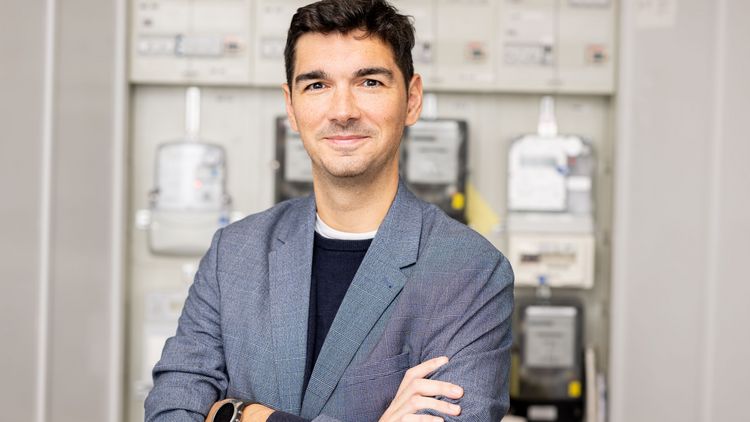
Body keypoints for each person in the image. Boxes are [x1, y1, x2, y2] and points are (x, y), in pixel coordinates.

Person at [144, 0, 514, 421]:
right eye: (316, 85)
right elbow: (171, 409)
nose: (342, 111)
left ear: (412, 100)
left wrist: (245, 414)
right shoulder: (234, 253)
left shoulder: (471, 272)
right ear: (291, 106)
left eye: (369, 82)